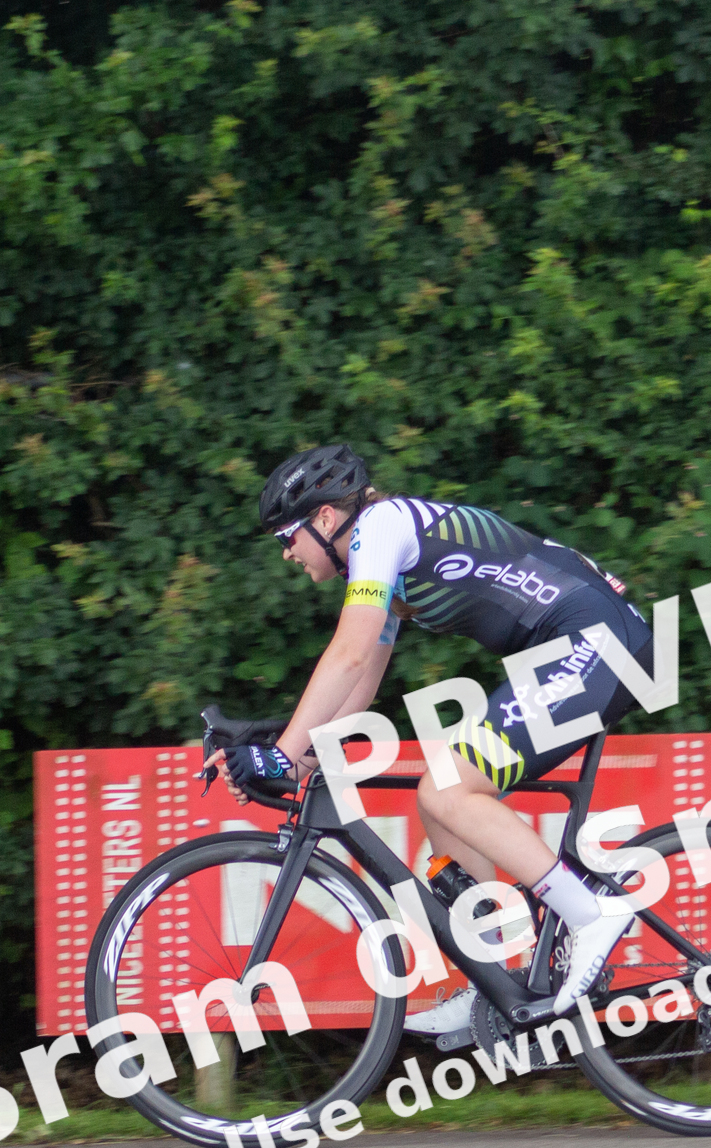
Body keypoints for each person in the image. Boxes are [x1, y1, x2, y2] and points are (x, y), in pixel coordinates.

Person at [220, 444, 656, 1037]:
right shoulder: (379, 556)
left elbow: (345, 655)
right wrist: (302, 756)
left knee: (450, 786)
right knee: (441, 805)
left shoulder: (381, 528)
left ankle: (592, 913)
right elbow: (364, 677)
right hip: (576, 646)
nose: (286, 553)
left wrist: (282, 748)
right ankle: (494, 984)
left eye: (286, 537)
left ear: (324, 519)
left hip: (595, 643)